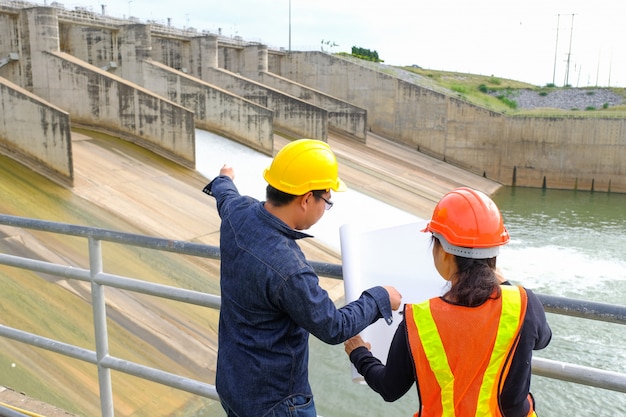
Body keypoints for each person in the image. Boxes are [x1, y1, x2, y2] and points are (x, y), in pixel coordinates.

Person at [203, 138, 402, 417]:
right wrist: (381, 296)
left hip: (234, 386)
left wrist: (224, 178)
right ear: (307, 198)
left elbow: (225, 195)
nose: (326, 208)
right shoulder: (289, 268)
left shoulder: (238, 214)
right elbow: (333, 325)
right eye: (327, 201)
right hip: (277, 403)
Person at [344, 187, 552, 417]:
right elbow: (542, 340)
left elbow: (390, 388)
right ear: (494, 254)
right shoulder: (524, 304)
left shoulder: (419, 320)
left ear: (443, 251)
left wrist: (359, 353)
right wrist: (505, 285)